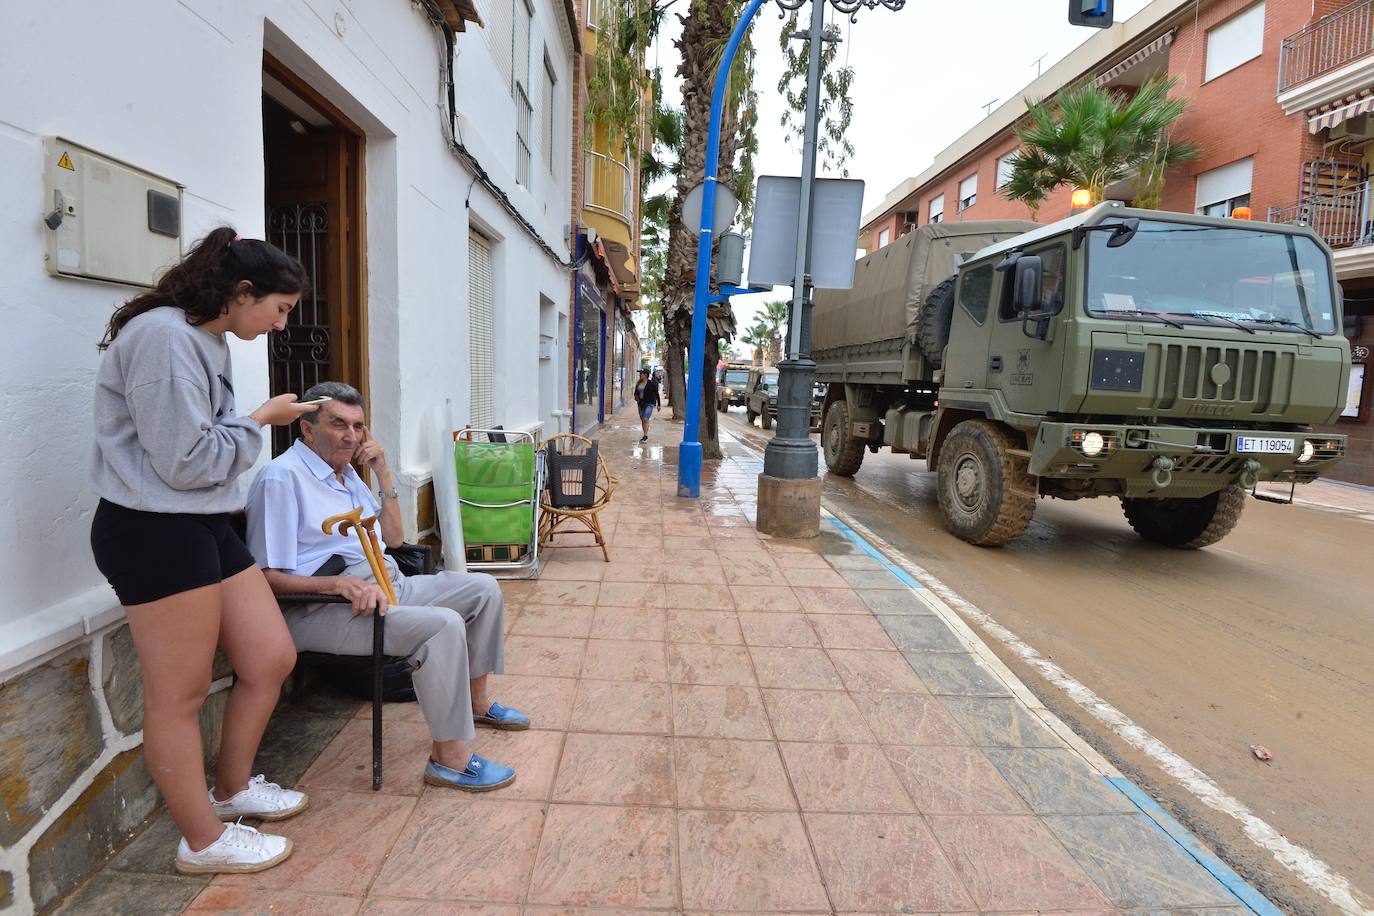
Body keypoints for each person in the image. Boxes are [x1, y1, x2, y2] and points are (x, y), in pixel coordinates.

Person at [89, 228, 320, 876]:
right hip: (153, 528)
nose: (280, 326)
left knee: (269, 655)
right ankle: (203, 839)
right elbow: (186, 460)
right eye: (278, 310)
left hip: (202, 520)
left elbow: (196, 451)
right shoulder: (164, 338)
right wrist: (261, 421)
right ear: (242, 293)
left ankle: (233, 786)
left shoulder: (204, 337)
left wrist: (244, 428)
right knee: (181, 694)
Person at [245, 382, 526, 793]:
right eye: (338, 424)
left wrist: (382, 471)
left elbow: (393, 540)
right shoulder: (282, 479)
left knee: (482, 589)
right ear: (307, 429)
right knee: (442, 625)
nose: (350, 436)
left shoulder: (346, 476)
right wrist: (336, 585)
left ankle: (477, 704)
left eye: (358, 426)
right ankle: (449, 761)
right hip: (321, 608)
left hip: (385, 584)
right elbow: (264, 578)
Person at [633, 367, 660, 443]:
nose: (640, 375)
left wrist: (659, 404)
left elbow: (656, 394)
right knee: (643, 420)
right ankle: (644, 435)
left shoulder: (652, 383)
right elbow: (636, 393)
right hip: (641, 404)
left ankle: (645, 436)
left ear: (645, 375)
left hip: (649, 403)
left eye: (641, 373)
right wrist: (636, 397)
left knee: (645, 419)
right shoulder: (639, 383)